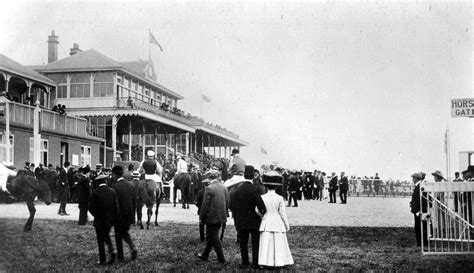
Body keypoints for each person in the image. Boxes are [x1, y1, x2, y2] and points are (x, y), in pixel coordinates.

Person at [230, 165, 266, 269]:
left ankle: (244, 262)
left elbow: (233, 205)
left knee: (243, 242)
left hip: (241, 220)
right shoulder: (255, 189)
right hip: (254, 220)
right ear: (253, 176)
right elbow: (261, 206)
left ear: (244, 175)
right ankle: (255, 262)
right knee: (255, 243)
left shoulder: (237, 188)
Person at [258, 170, 294, 268]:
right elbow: (282, 213)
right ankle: (279, 262)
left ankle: (264, 262)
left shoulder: (262, 197)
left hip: (266, 221)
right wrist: (286, 224)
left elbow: (257, 210)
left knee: (266, 242)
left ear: (265, 185)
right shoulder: (279, 198)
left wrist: (263, 216)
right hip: (277, 221)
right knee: (278, 242)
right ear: (276, 186)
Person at [196, 169, 229, 264]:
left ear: (209, 177)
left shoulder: (209, 188)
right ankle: (205, 255)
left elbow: (205, 205)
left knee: (214, 237)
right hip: (221, 216)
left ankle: (221, 258)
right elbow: (227, 202)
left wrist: (202, 217)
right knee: (212, 236)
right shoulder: (224, 187)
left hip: (211, 217)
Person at [89, 174, 118, 265]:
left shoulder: (95, 192)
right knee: (106, 235)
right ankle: (112, 250)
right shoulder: (112, 191)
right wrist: (113, 217)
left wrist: (96, 215)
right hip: (109, 219)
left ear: (98, 182)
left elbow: (90, 207)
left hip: (99, 219)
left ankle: (103, 259)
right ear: (106, 181)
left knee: (100, 240)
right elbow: (116, 207)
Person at [110, 165, 138, 261]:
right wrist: (133, 217)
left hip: (119, 215)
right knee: (124, 232)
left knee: (118, 235)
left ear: (114, 175)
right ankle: (132, 247)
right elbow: (134, 202)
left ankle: (121, 257)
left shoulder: (114, 187)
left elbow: (114, 203)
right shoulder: (130, 185)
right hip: (129, 214)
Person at [410, 172, 428, 247]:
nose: (412, 180)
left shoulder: (419, 186)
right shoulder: (419, 186)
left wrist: (417, 210)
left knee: (419, 226)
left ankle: (421, 243)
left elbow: (419, 200)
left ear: (416, 179)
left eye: (413, 178)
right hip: (418, 210)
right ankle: (421, 242)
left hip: (419, 210)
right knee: (420, 226)